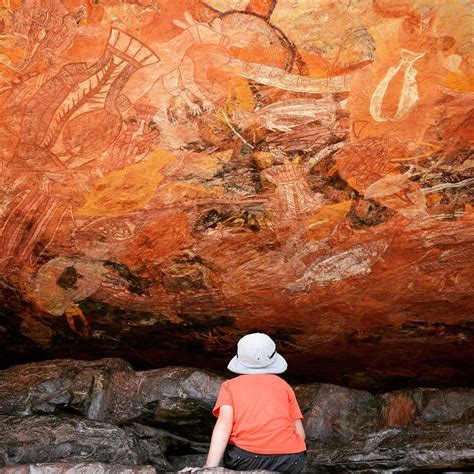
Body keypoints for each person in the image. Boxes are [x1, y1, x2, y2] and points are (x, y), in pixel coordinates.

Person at [180, 333, 307, 473]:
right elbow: (300, 434)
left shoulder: (230, 386)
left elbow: (224, 425)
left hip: (247, 459)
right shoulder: (284, 386)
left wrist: (209, 468)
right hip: (291, 460)